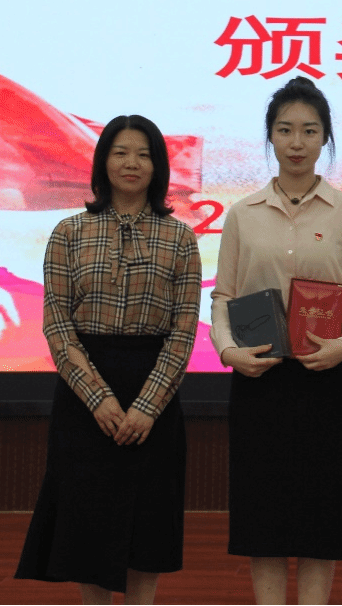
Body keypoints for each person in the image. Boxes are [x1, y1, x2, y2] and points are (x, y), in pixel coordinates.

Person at [15, 115, 202, 604]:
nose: (131, 163)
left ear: (158, 166)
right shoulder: (68, 232)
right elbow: (58, 326)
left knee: (146, 531)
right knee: (87, 532)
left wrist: (146, 407)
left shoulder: (181, 238)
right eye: (120, 152)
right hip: (84, 399)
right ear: (102, 162)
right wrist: (98, 399)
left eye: (143, 154)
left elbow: (183, 332)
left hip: (153, 397)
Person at [210, 77, 342, 605]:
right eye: (285, 130)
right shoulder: (243, 213)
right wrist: (228, 351)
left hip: (324, 376)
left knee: (319, 512)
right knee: (263, 513)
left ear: (325, 137)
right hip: (258, 377)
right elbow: (223, 296)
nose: (297, 142)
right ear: (270, 137)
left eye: (309, 130)